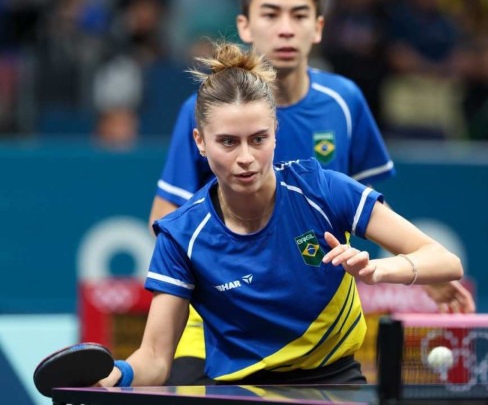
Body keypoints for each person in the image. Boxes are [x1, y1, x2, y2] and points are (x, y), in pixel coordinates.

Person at [148, 0, 475, 385]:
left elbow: (361, 206)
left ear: (318, 27)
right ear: (245, 26)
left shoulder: (345, 101)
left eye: (298, 14)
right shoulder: (203, 112)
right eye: (271, 13)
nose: (285, 28)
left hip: (314, 310)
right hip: (219, 320)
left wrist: (416, 269)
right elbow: (166, 217)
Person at [99, 41, 464, 387]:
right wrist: (117, 374)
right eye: (228, 141)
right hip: (239, 389)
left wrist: (381, 270)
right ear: (199, 142)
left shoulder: (322, 190)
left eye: (258, 139)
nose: (245, 157)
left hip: (331, 380)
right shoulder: (181, 235)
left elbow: (444, 261)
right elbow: (156, 358)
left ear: (275, 132)